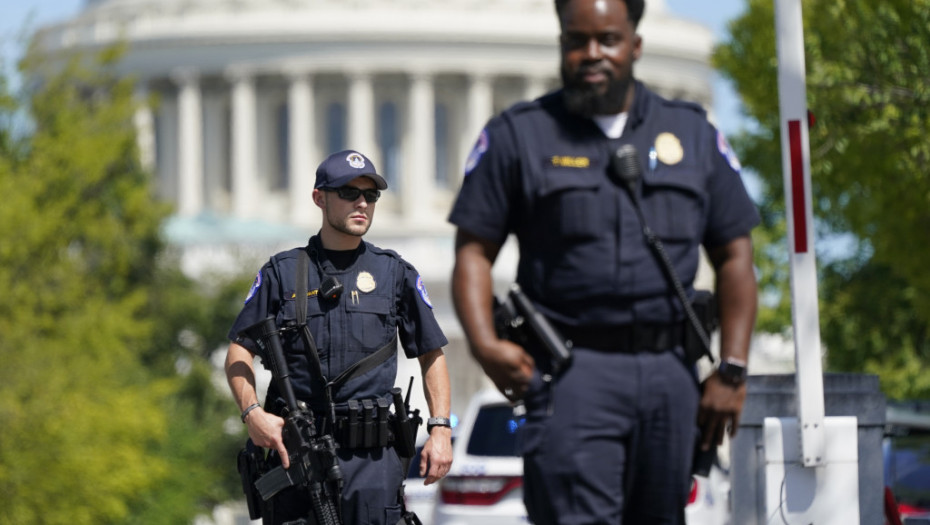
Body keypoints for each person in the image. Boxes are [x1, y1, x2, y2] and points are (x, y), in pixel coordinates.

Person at [448, 0, 759, 523]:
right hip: (572, 375)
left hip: (669, 377)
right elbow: (473, 251)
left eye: (608, 40)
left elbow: (735, 254)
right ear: (562, 44)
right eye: (577, 41)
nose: (592, 54)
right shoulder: (519, 135)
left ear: (634, 44)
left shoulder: (691, 133)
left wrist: (732, 368)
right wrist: (483, 344)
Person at [226, 149, 453, 525]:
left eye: (371, 194)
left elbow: (432, 354)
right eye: (348, 193)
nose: (362, 203)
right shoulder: (283, 273)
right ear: (320, 198)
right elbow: (238, 352)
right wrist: (253, 415)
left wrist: (440, 428)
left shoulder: (394, 273)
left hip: (373, 464)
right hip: (298, 458)